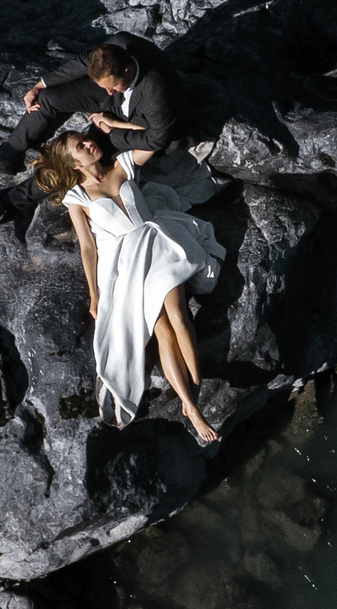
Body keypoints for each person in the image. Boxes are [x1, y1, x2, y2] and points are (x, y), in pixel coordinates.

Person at [35, 129, 227, 444]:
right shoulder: (77, 197)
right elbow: (87, 247)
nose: (88, 142)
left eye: (85, 137)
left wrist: (112, 124)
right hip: (125, 263)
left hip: (156, 244)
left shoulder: (122, 165)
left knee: (178, 315)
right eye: (79, 146)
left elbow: (155, 138)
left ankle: (193, 393)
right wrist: (94, 295)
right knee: (162, 329)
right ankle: (191, 407)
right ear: (73, 164)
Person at [0, 33, 185, 174]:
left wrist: (112, 131)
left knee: (81, 163)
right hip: (119, 102)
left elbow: (157, 138)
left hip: (136, 121)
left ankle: (14, 200)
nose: (107, 91)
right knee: (48, 99)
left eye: (112, 85)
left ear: (127, 70)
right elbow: (83, 62)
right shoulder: (118, 45)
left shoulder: (156, 91)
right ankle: (7, 155)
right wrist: (40, 85)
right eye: (104, 85)